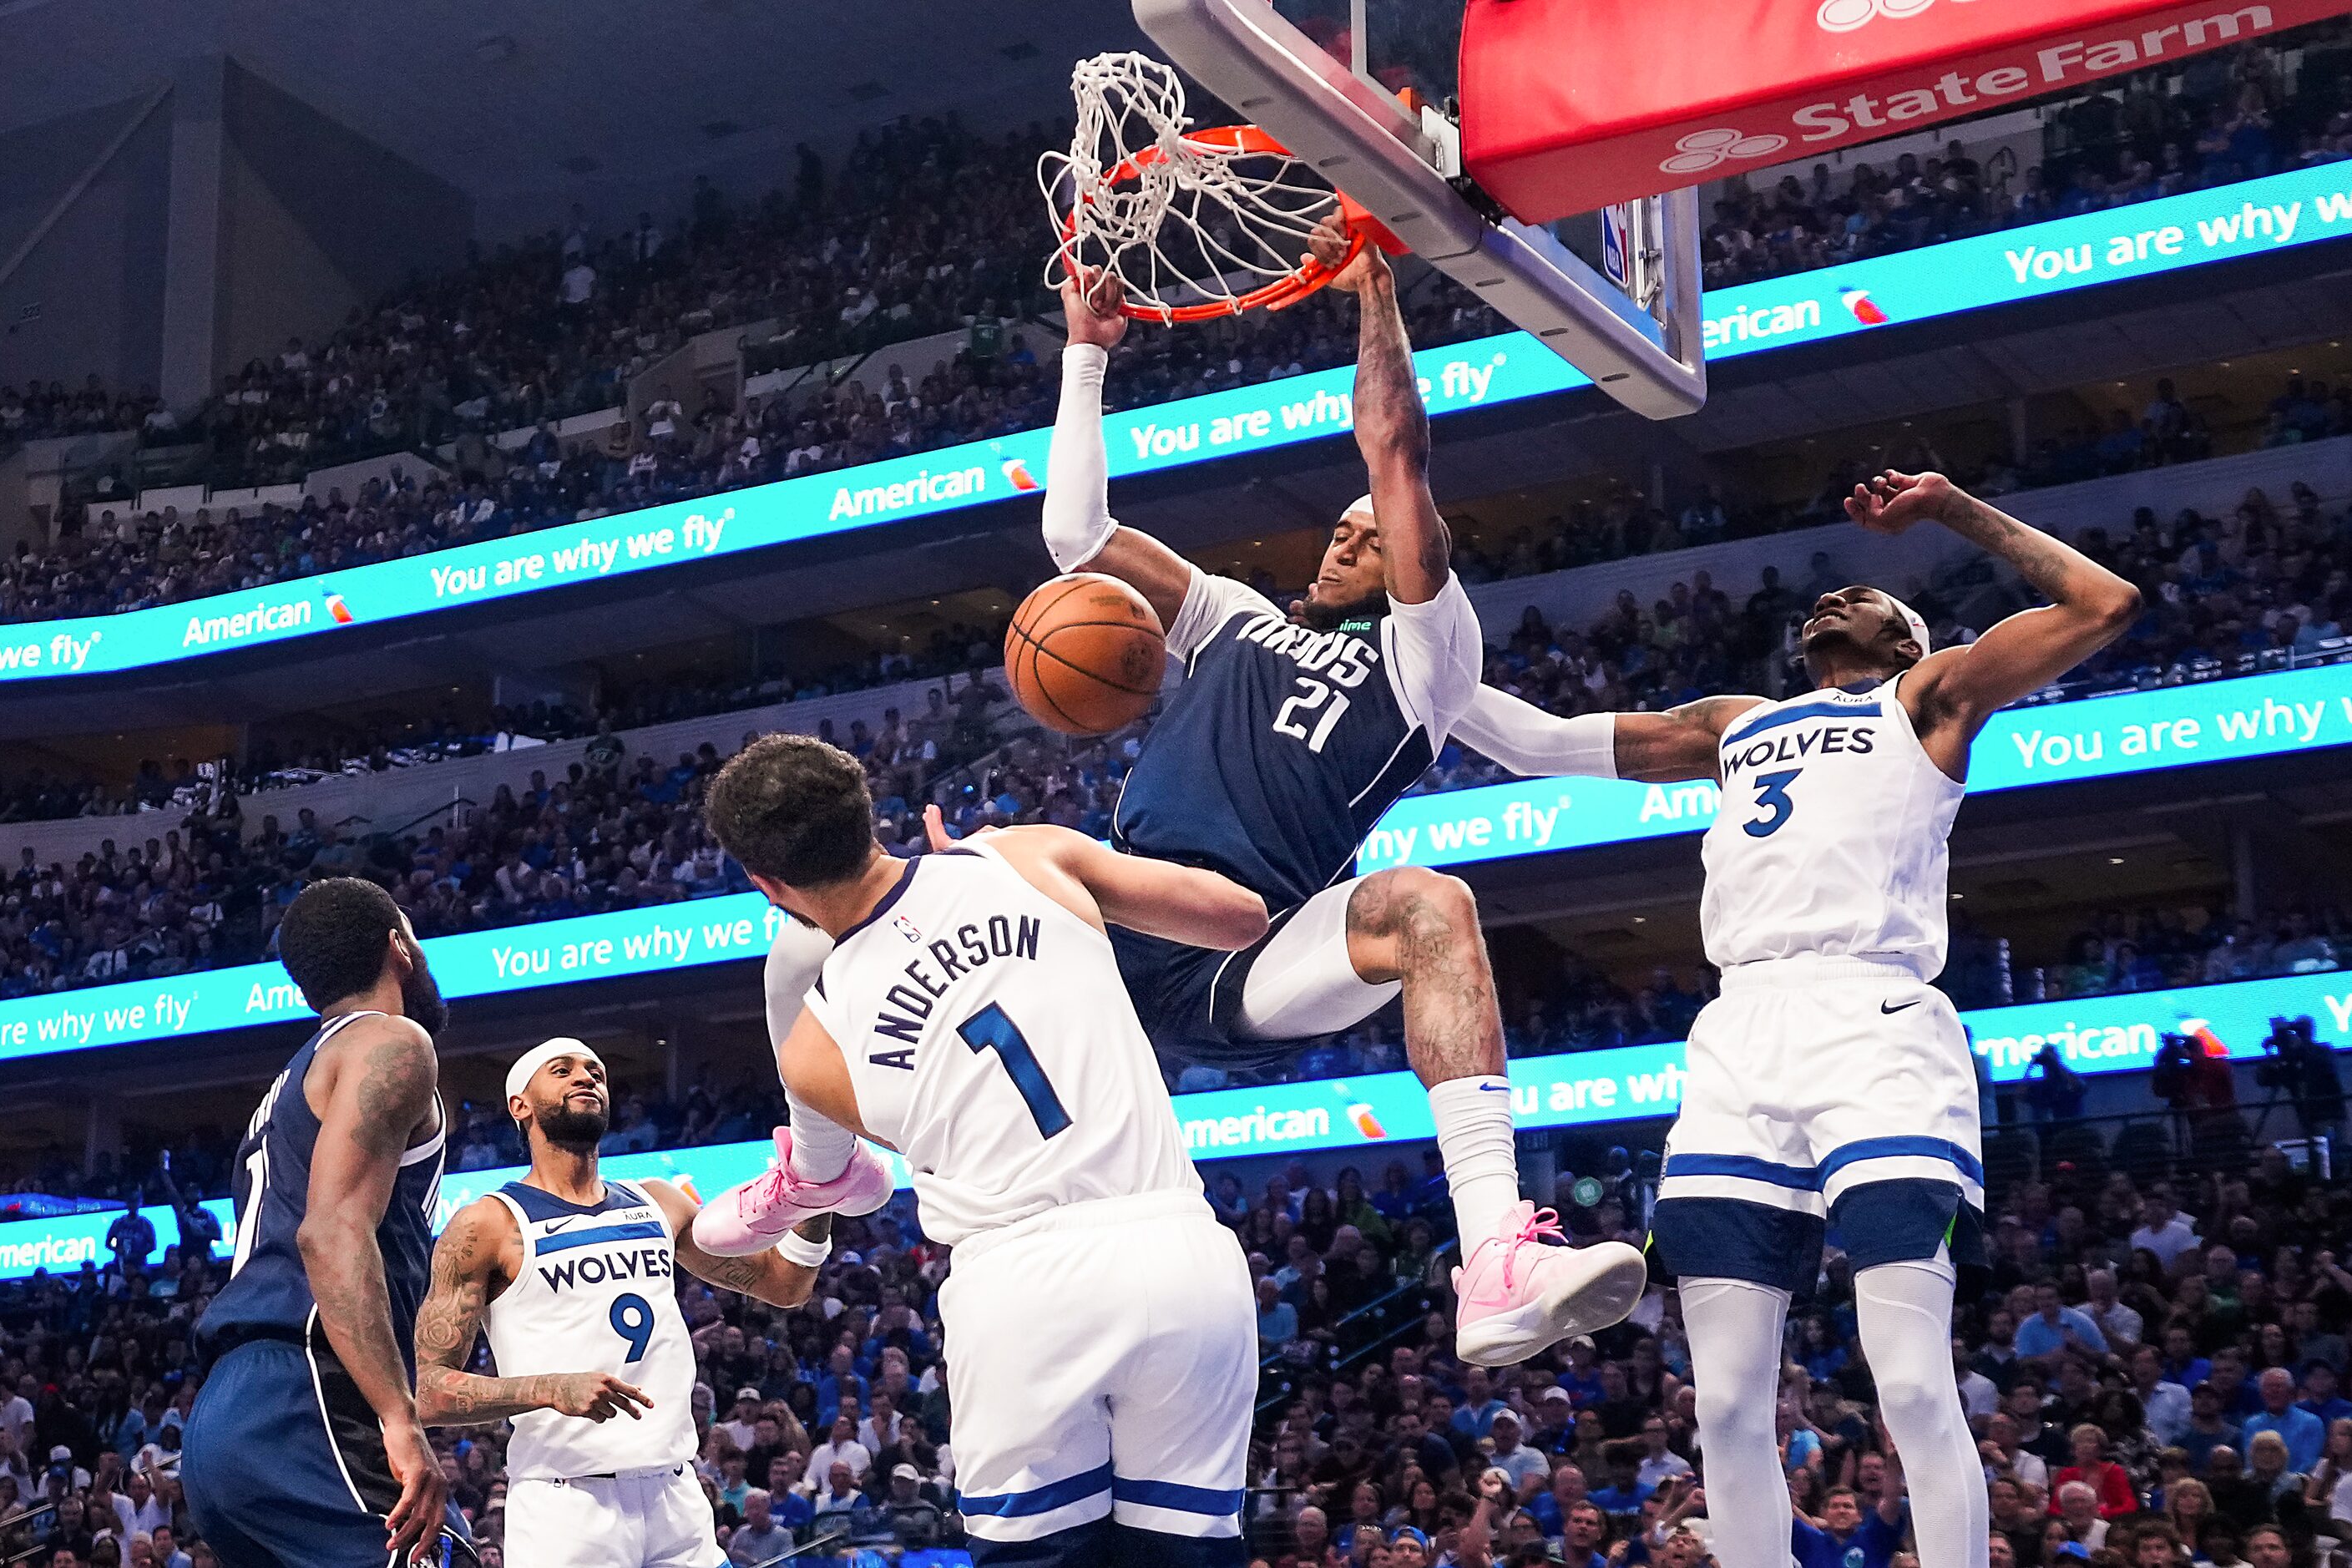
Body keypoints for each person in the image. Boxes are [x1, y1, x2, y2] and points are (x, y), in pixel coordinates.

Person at [980, 224, 1645, 1365]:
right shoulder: (1230, 614)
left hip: (1250, 948)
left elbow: (1394, 450)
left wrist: (1374, 290)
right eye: (1336, 530)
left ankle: (1492, 1258)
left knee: (1429, 905)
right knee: (945, 891)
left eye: (1367, 534)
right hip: (1120, 921)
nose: (1344, 538)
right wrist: (1083, 358)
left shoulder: (1425, 664)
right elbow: (1073, 535)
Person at [1457, 470, 2140, 1568]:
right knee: (1722, 1399)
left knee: (1909, 1373)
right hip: (1739, 1029)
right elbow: (1532, 742)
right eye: (1828, 600)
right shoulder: (1737, 721)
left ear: (1907, 638)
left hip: (1873, 1019)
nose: (1837, 600)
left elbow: (2102, 603)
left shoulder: (1927, 698)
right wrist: (1414, 637)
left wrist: (1949, 509)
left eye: (1868, 598)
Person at [690, 734, 1270, 1563]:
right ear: (871, 817)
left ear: (766, 886)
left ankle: (808, 1180)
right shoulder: (1022, 854)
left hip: (1019, 1282)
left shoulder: (813, 1050)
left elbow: (936, 1122)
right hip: (1177, 1248)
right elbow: (1239, 918)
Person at [412, 1037, 830, 1568]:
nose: (585, 1078)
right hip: (566, 1506)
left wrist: (820, 1194)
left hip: (676, 1492)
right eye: (561, 1071)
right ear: (520, 1105)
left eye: (595, 1071)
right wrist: (550, 1388)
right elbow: (427, 1390)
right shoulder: (487, 1224)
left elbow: (786, 1285)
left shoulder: (660, 1201)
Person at [181, 878, 459, 1565]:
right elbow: (330, 1233)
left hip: (227, 1410)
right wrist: (399, 1419)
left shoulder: (295, 1079)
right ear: (398, 946)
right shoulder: (391, 1042)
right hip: (307, 1394)